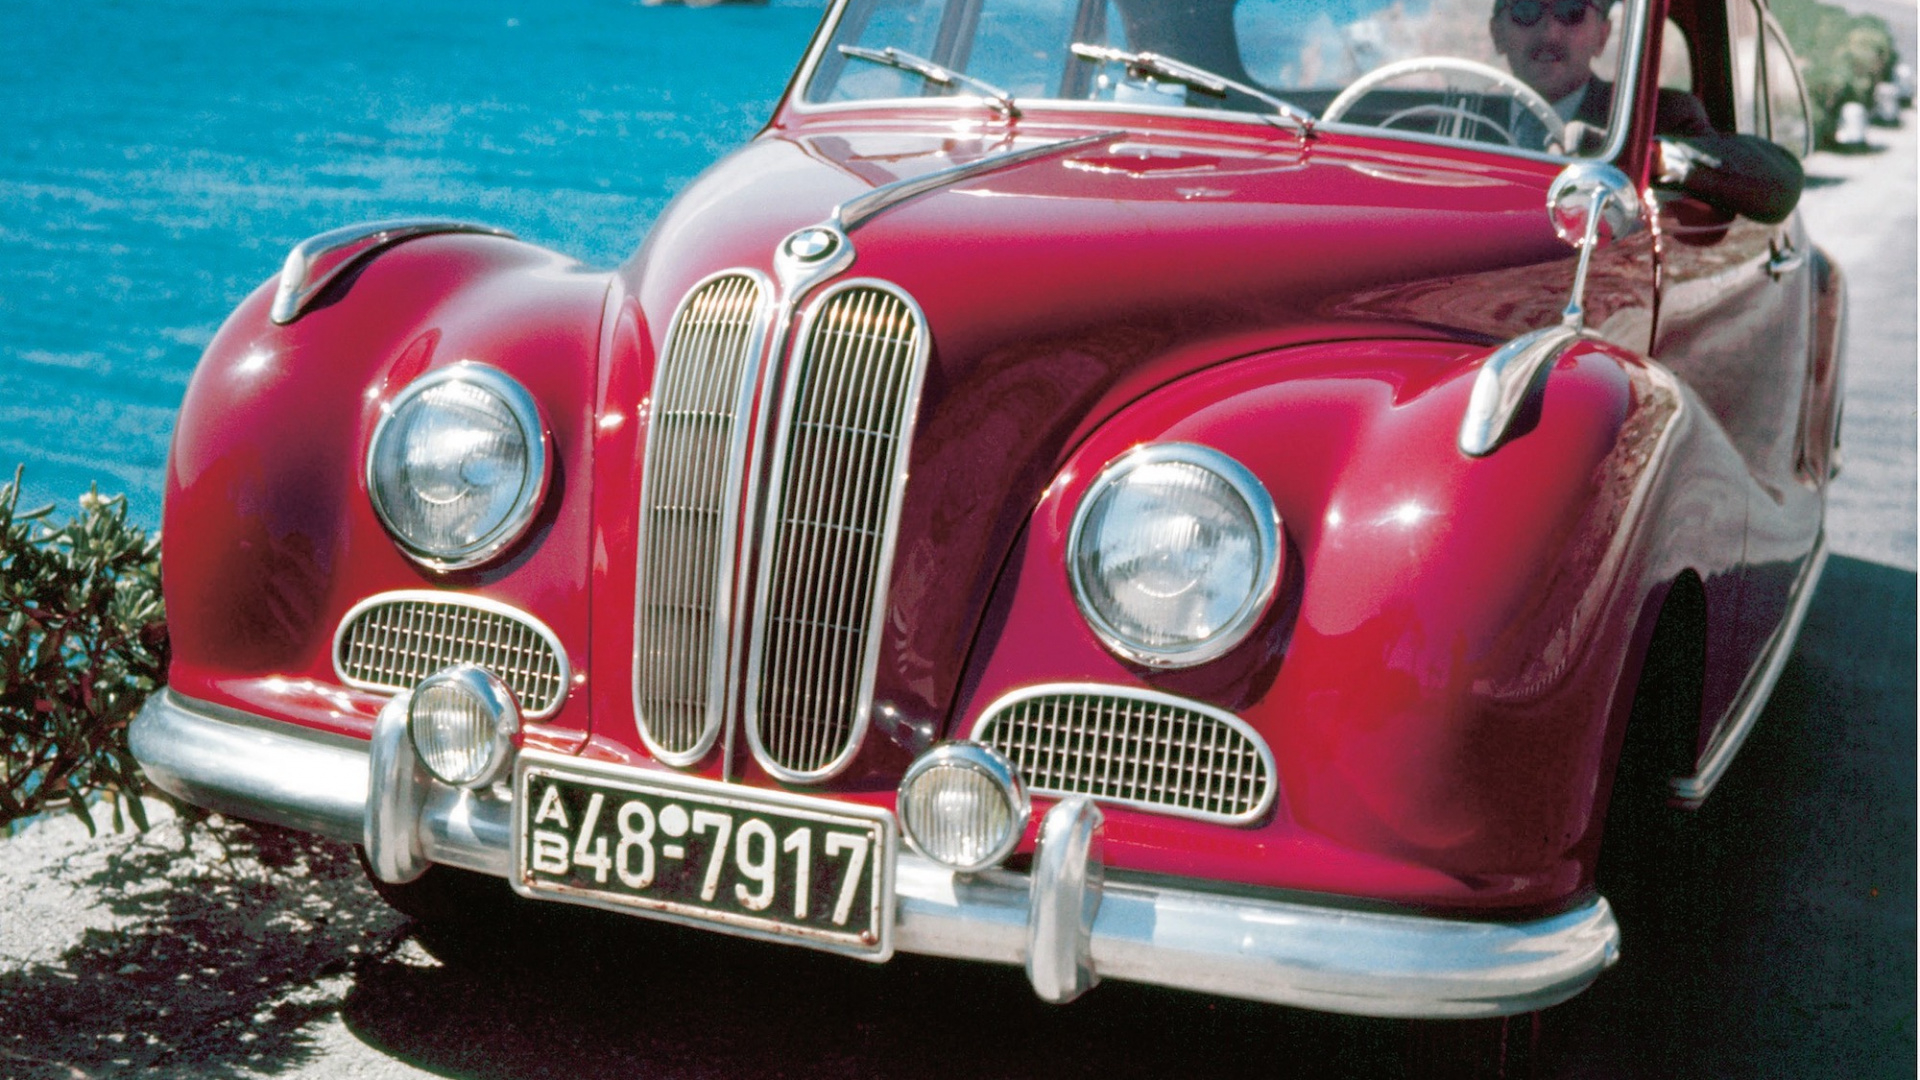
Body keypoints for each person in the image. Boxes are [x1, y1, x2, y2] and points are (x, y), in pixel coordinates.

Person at [1489, 0, 1803, 223]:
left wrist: (1651, 156)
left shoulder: (1657, 115)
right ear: (1497, 34)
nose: (1550, 33)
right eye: (1525, 10)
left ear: (1602, 36)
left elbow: (1781, 185)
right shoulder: (1453, 118)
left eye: (1572, 11)